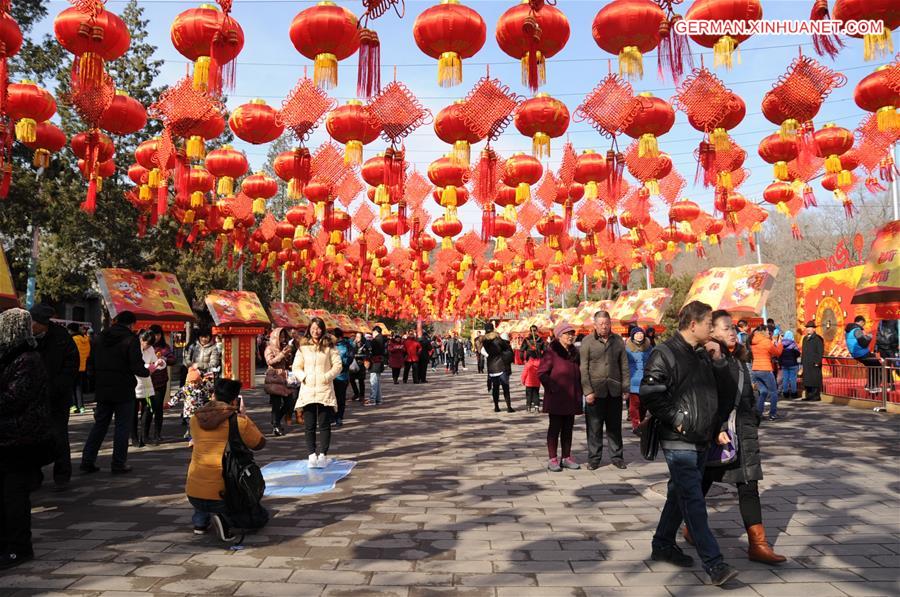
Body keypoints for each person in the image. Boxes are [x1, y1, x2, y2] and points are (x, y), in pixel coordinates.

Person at [640, 301, 739, 587]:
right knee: (693, 499)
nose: (712, 327)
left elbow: (725, 392)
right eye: (709, 322)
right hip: (678, 438)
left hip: (702, 436)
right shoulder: (665, 352)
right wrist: (678, 419)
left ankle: (662, 544)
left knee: (679, 493)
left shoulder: (703, 354)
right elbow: (650, 392)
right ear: (692, 324)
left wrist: (719, 361)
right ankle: (714, 563)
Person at [691, 310, 786, 565]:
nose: (732, 331)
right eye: (725, 328)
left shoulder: (740, 358)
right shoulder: (708, 358)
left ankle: (758, 544)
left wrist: (755, 414)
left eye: (733, 327)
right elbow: (706, 397)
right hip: (719, 434)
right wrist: (716, 427)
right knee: (702, 482)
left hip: (744, 433)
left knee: (749, 485)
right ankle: (687, 525)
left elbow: (746, 394)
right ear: (711, 332)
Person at [0, 308, 57, 570]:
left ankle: (19, 548)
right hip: (8, 437)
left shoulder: (27, 359)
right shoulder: (9, 356)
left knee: (14, 496)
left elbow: (14, 398)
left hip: (20, 439)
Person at [186, 378, 267, 542]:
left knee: (205, 482)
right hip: (222, 496)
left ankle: (200, 523)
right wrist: (244, 417)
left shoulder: (195, 419)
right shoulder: (238, 422)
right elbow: (259, 444)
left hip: (193, 492)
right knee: (261, 516)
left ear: (213, 396)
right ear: (235, 400)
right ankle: (224, 521)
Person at [81, 311, 148, 475]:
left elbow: (90, 362)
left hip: (103, 388)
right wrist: (147, 372)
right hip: (123, 389)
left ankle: (87, 460)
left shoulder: (100, 337)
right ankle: (118, 463)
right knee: (122, 427)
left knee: (100, 425)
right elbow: (136, 366)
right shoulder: (131, 339)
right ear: (132, 324)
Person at [29, 304, 78, 490]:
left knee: (59, 434)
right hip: (33, 396)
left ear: (43, 323)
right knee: (32, 436)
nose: (31, 325)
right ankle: (34, 475)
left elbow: (71, 365)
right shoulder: (26, 338)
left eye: (34, 322)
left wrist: (58, 385)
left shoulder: (61, 338)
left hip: (57, 396)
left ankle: (62, 473)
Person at [579, 311, 629, 470]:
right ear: (594, 325)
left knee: (615, 427)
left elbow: (624, 365)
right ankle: (594, 458)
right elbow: (583, 368)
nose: (604, 327)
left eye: (606, 324)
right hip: (595, 391)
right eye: (600, 324)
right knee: (594, 427)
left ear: (610, 324)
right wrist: (587, 391)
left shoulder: (618, 340)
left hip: (614, 390)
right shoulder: (587, 342)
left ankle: (617, 457)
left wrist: (626, 387)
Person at [292, 317, 342, 468]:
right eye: (313, 328)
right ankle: (311, 455)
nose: (316, 331)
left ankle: (323, 455)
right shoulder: (303, 347)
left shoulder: (330, 346)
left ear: (323, 329)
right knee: (309, 424)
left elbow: (337, 365)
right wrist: (304, 377)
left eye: (319, 328)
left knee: (324, 424)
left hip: (324, 390)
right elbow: (296, 367)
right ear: (309, 329)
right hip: (307, 390)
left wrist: (326, 377)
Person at [538, 321, 582, 472]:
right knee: (555, 429)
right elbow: (541, 373)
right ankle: (553, 459)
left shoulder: (575, 353)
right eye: (567, 334)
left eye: (572, 333)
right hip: (556, 397)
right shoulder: (551, 352)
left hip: (571, 397)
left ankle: (566, 457)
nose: (570, 336)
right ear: (558, 336)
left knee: (568, 429)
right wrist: (553, 387)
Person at [143, 325, 175, 445]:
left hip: (160, 382)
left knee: (158, 408)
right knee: (147, 409)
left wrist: (164, 359)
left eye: (158, 334)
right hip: (147, 382)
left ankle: (157, 433)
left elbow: (173, 360)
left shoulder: (164, 347)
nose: (156, 337)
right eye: (154, 334)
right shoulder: (146, 347)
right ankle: (145, 435)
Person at [134, 331, 165, 448]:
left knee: (148, 409)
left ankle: (144, 435)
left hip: (147, 385)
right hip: (135, 384)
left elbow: (153, 362)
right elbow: (135, 365)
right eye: (145, 343)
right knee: (133, 413)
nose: (145, 345)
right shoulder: (134, 348)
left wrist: (159, 363)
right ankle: (135, 437)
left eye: (148, 344)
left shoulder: (151, 349)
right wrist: (148, 366)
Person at [263, 327, 295, 436]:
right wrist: (282, 354)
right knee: (276, 404)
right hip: (274, 378)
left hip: (285, 378)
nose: (282, 338)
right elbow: (270, 361)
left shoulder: (284, 347)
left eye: (284, 336)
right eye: (280, 336)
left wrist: (288, 356)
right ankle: (276, 425)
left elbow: (286, 363)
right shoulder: (269, 348)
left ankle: (275, 420)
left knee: (289, 403)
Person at [168, 367, 212, 443]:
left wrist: (210, 402)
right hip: (188, 412)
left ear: (199, 381)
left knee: (198, 425)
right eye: (192, 382)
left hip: (199, 411)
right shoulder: (185, 389)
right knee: (191, 425)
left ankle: (196, 436)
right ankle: (191, 438)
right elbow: (177, 396)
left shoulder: (202, 389)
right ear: (188, 382)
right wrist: (170, 404)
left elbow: (208, 396)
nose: (194, 384)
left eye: (196, 382)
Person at [749, 325, 782, 420]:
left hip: (755, 369)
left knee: (763, 392)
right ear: (763, 331)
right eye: (767, 331)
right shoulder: (766, 342)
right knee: (773, 392)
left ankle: (759, 414)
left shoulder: (753, 341)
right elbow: (777, 352)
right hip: (765, 369)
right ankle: (772, 414)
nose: (769, 333)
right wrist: (779, 343)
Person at [625, 326, 652, 435]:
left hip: (646, 380)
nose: (639, 335)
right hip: (633, 380)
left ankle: (640, 423)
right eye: (637, 334)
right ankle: (636, 425)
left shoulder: (649, 347)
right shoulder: (627, 348)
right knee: (633, 406)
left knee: (644, 405)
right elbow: (624, 364)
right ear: (632, 336)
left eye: (641, 333)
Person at [482, 324, 515, 413]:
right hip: (501, 364)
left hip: (492, 366)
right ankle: (509, 407)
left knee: (495, 387)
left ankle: (496, 407)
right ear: (493, 329)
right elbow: (506, 347)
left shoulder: (484, 341)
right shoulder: (497, 339)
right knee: (505, 387)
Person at [846, 316, 881, 392]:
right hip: (862, 353)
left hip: (855, 354)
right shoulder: (857, 330)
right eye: (863, 324)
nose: (863, 326)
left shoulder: (848, 331)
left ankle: (869, 386)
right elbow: (864, 343)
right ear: (861, 322)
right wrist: (869, 336)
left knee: (871, 366)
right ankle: (873, 387)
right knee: (878, 366)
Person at [333, 328, 355, 427]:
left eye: (332, 336)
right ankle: (331, 417)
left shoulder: (347, 346)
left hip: (342, 376)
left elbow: (348, 360)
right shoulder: (329, 345)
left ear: (339, 337)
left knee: (340, 398)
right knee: (330, 398)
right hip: (330, 376)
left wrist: (338, 362)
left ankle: (339, 417)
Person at [68, 323, 90, 415]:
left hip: (72, 366)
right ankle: (81, 407)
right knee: (78, 387)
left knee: (71, 387)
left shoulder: (72, 339)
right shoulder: (85, 339)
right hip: (82, 366)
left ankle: (73, 406)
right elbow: (88, 353)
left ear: (71, 330)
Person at [800, 321, 824, 401]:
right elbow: (803, 351)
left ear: (814, 329)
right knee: (807, 380)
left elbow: (820, 351)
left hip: (814, 363)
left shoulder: (818, 339)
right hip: (806, 363)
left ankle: (816, 396)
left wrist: (818, 361)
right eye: (807, 328)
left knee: (815, 379)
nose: (808, 329)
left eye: (810, 328)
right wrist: (802, 362)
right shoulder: (805, 338)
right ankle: (809, 395)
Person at [778, 330, 801, 400]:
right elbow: (798, 354)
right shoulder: (794, 344)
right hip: (793, 364)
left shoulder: (781, 344)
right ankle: (794, 393)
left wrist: (780, 363)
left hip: (784, 365)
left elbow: (779, 354)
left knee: (785, 379)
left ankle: (785, 393)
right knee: (793, 379)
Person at [368, 327, 386, 405]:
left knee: (374, 381)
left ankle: (373, 399)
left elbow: (371, 350)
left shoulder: (375, 340)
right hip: (380, 361)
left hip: (375, 362)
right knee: (377, 381)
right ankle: (378, 399)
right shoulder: (383, 339)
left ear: (375, 331)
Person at [350, 332, 368, 401]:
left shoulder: (364, 345)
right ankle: (356, 393)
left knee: (361, 381)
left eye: (358, 337)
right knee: (351, 380)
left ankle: (362, 395)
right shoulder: (353, 344)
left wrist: (358, 356)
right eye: (356, 336)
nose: (357, 338)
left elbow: (366, 354)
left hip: (361, 364)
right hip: (353, 364)